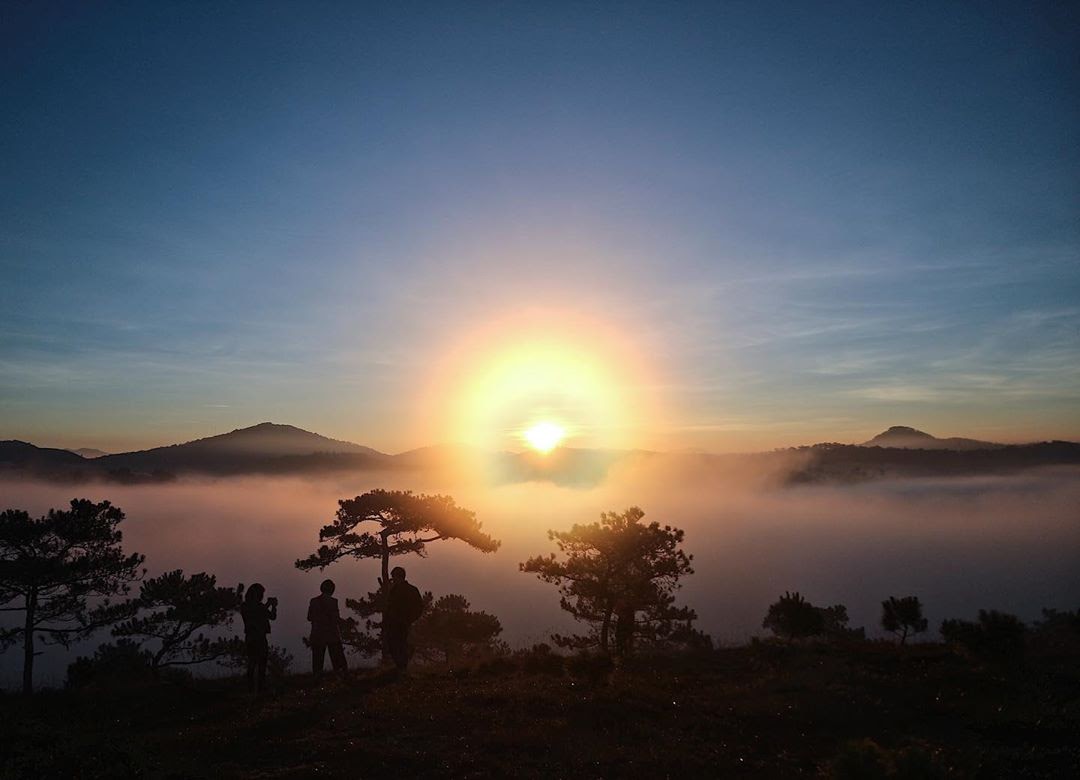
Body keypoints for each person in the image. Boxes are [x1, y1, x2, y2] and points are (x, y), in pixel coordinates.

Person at [383, 566, 424, 672]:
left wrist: (409, 619)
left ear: (399, 576)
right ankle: (401, 667)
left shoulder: (401, 590)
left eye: (394, 577)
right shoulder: (410, 590)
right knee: (397, 644)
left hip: (400, 623)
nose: (393, 579)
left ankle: (402, 667)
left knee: (398, 644)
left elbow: (419, 607)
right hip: (398, 622)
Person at [240, 583, 277, 695]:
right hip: (259, 638)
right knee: (260, 664)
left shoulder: (245, 606)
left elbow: (271, 616)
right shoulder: (255, 607)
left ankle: (252, 688)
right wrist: (271, 605)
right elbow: (263, 613)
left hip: (251, 638)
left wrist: (272, 606)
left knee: (253, 662)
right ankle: (259, 688)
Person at [308, 578, 348, 679]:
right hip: (331, 634)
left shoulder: (313, 601)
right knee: (337, 659)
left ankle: (316, 679)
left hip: (317, 634)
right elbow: (335, 619)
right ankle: (342, 677)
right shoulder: (333, 602)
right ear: (332, 590)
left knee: (317, 661)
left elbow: (309, 617)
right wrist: (346, 622)